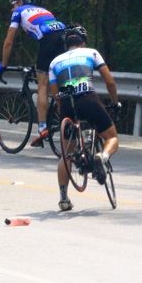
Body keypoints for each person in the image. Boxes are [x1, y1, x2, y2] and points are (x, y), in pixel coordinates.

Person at [48, 24, 121, 211]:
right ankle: (102, 156)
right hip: (87, 97)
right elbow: (110, 82)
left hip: (66, 104)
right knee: (112, 137)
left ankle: (63, 198)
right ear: (83, 42)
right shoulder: (92, 53)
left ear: (66, 45)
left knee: (66, 154)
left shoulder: (54, 62)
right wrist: (114, 103)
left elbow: (55, 94)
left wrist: (64, 110)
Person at [0, 0, 65, 148]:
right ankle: (67, 118)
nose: (12, 8)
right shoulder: (45, 11)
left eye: (13, 4)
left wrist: (3, 65)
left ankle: (42, 128)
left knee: (42, 86)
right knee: (57, 86)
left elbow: (8, 41)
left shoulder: (19, 11)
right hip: (63, 37)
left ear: (20, 2)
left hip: (48, 41)